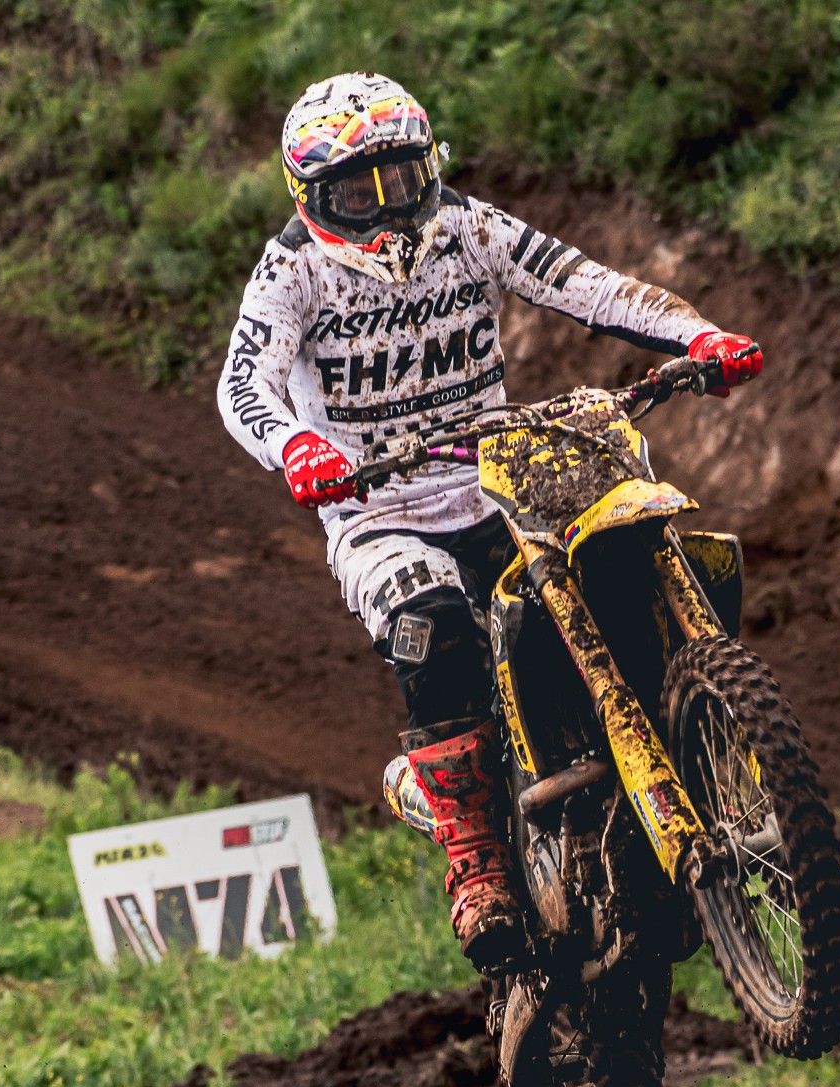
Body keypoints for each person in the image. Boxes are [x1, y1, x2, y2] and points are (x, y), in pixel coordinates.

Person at [217, 71, 763, 974]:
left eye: (402, 176)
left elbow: (583, 284)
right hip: (381, 510)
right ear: (311, 197)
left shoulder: (467, 226)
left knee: (617, 559)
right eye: (358, 191)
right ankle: (477, 866)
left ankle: (693, 766)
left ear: (430, 164)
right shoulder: (293, 271)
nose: (388, 207)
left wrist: (697, 335)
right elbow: (244, 385)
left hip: (501, 480)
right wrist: (297, 446)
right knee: (433, 627)